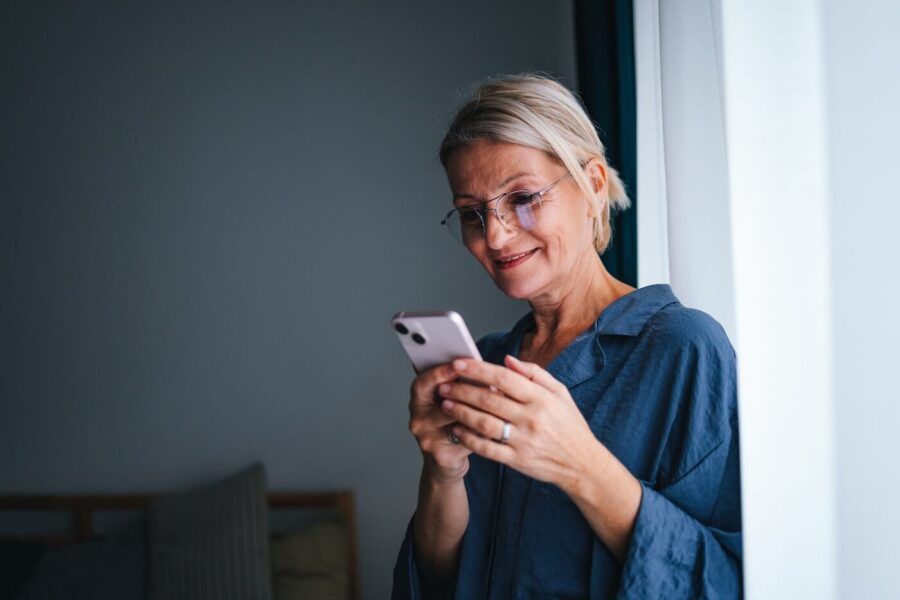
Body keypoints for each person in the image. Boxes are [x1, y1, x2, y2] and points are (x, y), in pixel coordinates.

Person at [392, 74, 742, 599]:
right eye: (472, 212)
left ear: (594, 186)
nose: (495, 234)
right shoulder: (489, 361)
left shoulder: (683, 349)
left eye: (523, 197)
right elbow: (441, 580)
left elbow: (725, 580)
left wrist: (579, 462)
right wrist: (441, 471)